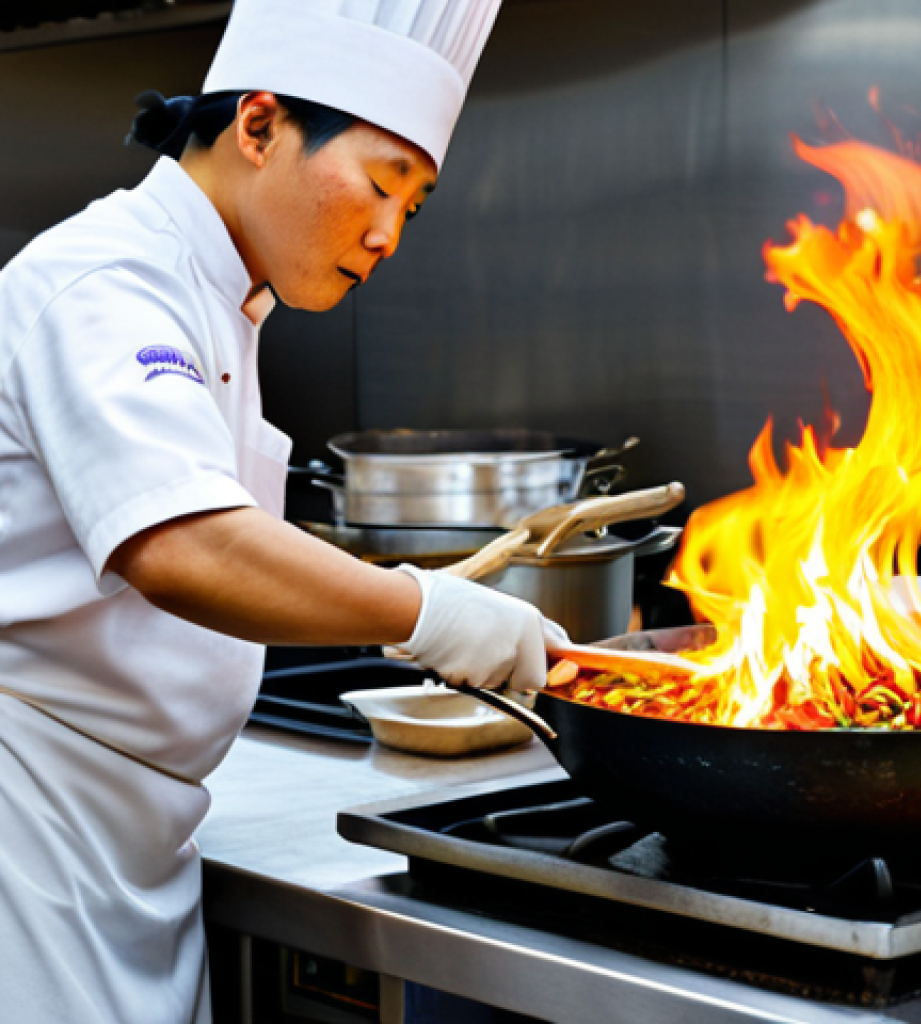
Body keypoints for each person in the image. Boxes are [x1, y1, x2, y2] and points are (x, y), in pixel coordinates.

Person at [0, 1, 566, 1020]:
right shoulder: (107, 284)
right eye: (380, 186)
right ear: (257, 126)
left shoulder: (221, 297)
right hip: (30, 827)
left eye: (416, 207)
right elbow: (184, 545)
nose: (389, 235)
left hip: (129, 834)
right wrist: (428, 612)